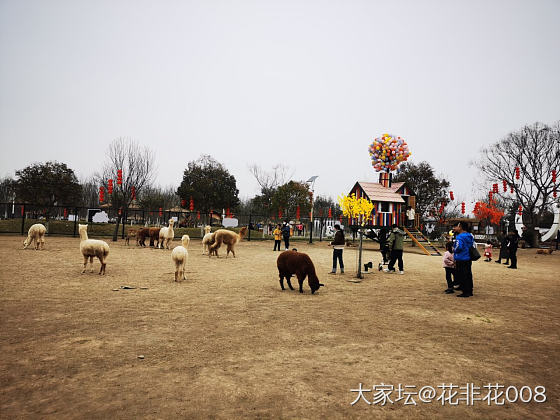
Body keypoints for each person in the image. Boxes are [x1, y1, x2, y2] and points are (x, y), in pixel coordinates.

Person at [453, 221, 474, 297]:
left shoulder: (460, 236)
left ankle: (465, 291)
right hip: (468, 257)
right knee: (468, 274)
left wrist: (454, 249)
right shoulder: (469, 235)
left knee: (462, 275)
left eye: (458, 226)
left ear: (461, 227)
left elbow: (459, 247)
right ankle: (469, 290)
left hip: (461, 258)